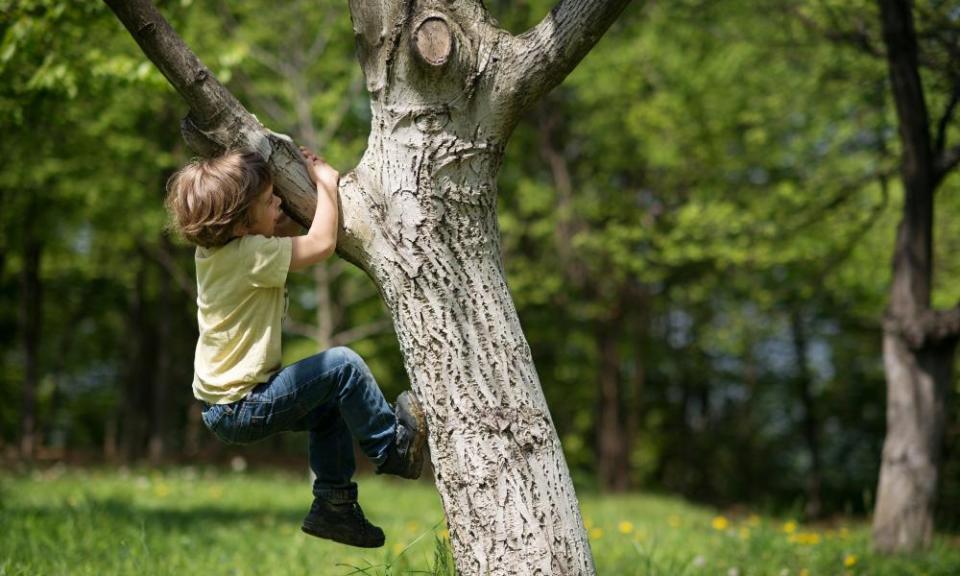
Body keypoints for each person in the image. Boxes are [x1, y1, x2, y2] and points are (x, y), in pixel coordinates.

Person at [165, 147, 426, 549]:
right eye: (270, 201)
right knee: (343, 366)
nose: (280, 204)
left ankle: (333, 506)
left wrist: (274, 212)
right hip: (243, 404)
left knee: (331, 407)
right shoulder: (251, 255)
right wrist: (326, 185)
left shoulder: (215, 253)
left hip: (225, 408)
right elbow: (320, 244)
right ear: (240, 226)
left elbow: (278, 231)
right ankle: (392, 449)